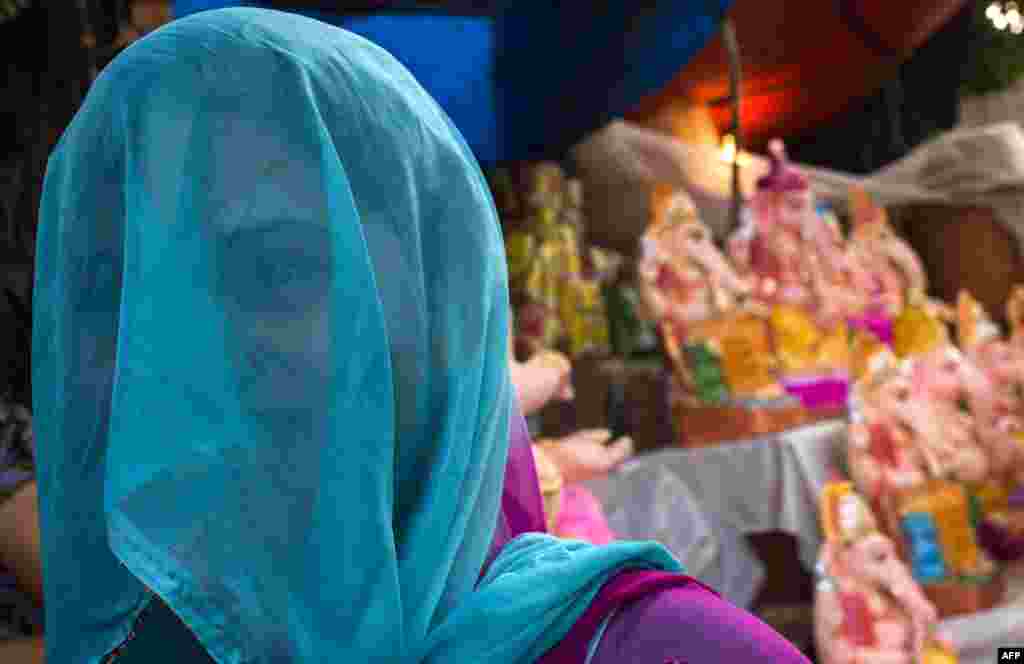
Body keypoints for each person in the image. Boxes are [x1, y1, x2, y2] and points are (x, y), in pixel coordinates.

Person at [33, 8, 809, 663]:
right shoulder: (154, 645)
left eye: (277, 271)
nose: (199, 350)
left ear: (437, 314)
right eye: (137, 299)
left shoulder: (664, 650)